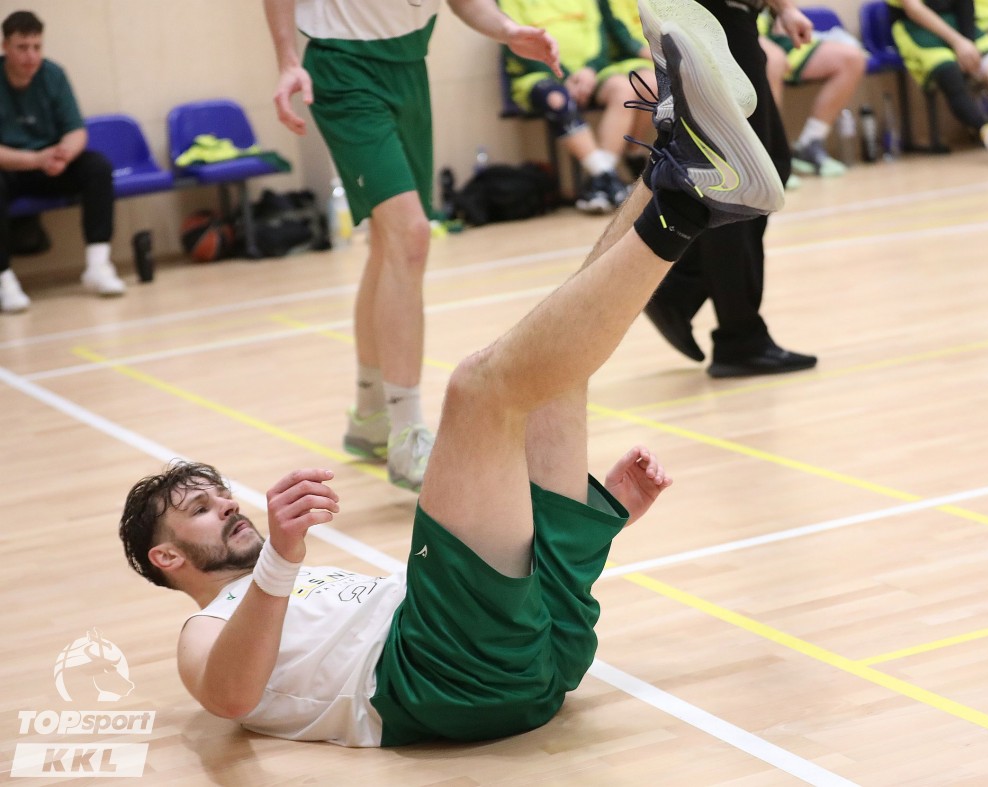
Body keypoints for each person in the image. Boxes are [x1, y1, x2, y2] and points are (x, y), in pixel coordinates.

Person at [118, 0, 786, 745]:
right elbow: (230, 697)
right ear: (167, 556)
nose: (226, 505)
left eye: (217, 494)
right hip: (444, 678)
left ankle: (674, 158)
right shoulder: (205, 629)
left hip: (528, 645)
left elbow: (476, 568)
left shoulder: (302, 581)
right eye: (200, 507)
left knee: (550, 363)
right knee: (480, 387)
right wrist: (280, 559)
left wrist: (597, 518)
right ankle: (687, 202)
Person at [263, 0, 560, 493]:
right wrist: (286, 58)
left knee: (388, 245)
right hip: (343, 67)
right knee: (411, 235)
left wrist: (506, 29)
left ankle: (370, 415)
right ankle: (406, 433)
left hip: (409, 69)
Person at [637, 0, 818, 377]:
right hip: (716, 17)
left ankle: (680, 290)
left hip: (731, 19)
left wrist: (782, 8)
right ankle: (739, 336)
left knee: (767, 167)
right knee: (741, 181)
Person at [0, 10, 125, 314]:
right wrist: (34, 159)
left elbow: (76, 131)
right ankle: (4, 280)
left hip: (50, 166)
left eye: (37, 47)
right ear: (5, 47)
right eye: (22, 48)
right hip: (10, 169)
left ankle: (98, 265)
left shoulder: (54, 75)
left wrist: (63, 155)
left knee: (97, 167)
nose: (31, 56)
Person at [498, 0, 654, 213]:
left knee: (624, 89)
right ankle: (606, 178)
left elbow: (599, 35)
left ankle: (601, 182)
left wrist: (590, 70)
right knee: (556, 99)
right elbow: (515, 43)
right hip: (539, 74)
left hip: (590, 73)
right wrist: (563, 76)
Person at [757, 12, 867, 178]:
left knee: (852, 58)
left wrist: (784, 12)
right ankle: (770, 156)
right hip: (743, 33)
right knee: (773, 61)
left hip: (778, 35)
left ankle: (810, 143)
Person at [889, 0, 988, 157]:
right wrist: (958, 42)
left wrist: (968, 42)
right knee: (950, 76)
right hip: (917, 28)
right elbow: (914, 10)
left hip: (957, 22)